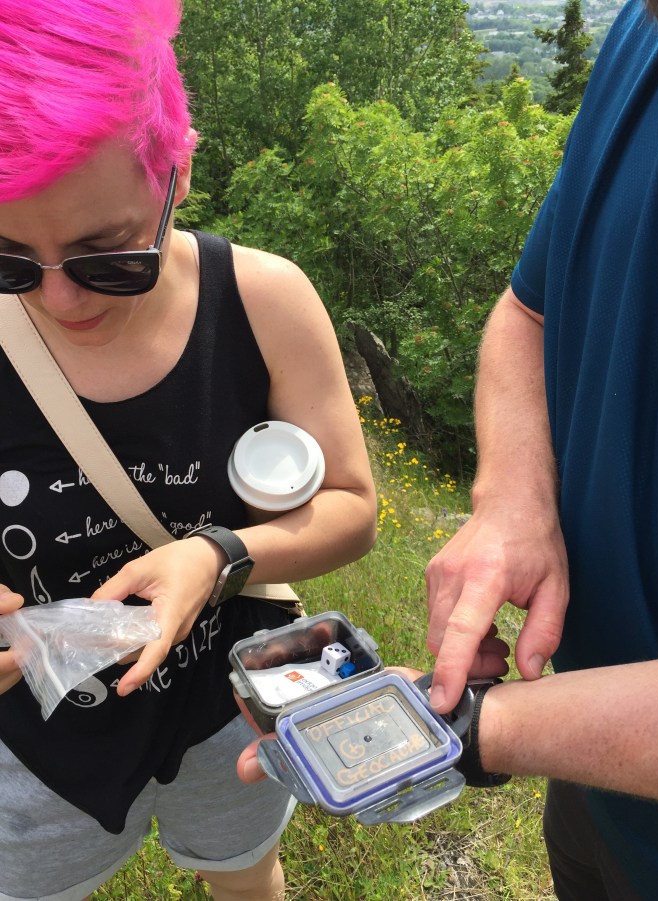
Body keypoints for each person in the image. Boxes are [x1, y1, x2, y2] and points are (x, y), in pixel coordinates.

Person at [0, 2, 376, 900]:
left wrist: (218, 555)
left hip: (226, 698)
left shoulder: (264, 302)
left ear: (179, 173)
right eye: (8, 260)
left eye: (107, 256)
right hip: (36, 736)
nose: (59, 300)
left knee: (243, 870)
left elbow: (353, 507)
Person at [423, 0, 658, 898]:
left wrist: (472, 727)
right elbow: (528, 310)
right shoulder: (648, 32)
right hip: (597, 782)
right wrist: (512, 499)